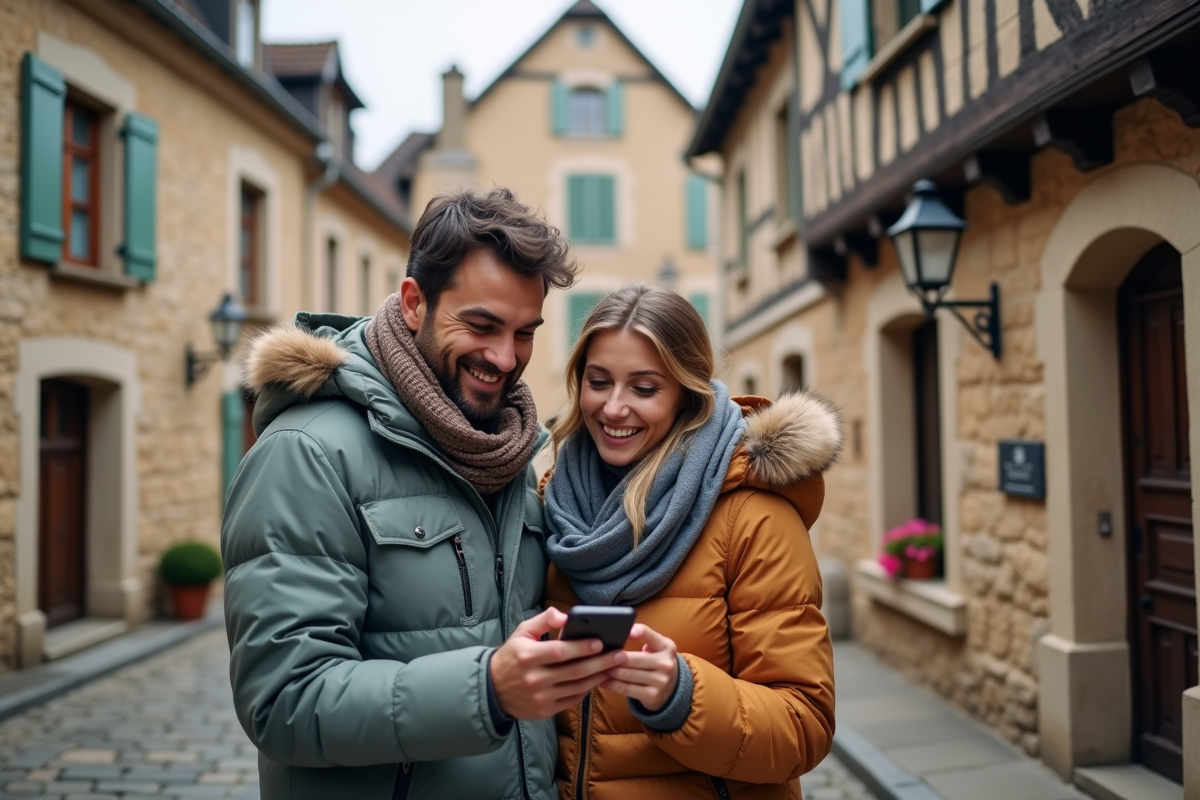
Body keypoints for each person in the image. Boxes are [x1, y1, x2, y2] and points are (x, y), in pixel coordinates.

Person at [223, 187, 629, 800]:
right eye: (482, 325)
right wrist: (486, 690)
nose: (504, 357)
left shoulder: (507, 452)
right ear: (415, 303)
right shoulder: (306, 452)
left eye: (525, 333)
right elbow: (284, 702)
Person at [542, 283, 840, 800]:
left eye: (644, 388)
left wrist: (680, 694)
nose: (613, 408)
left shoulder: (752, 515)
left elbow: (803, 725)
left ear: (686, 392)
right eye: (598, 381)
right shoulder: (554, 503)